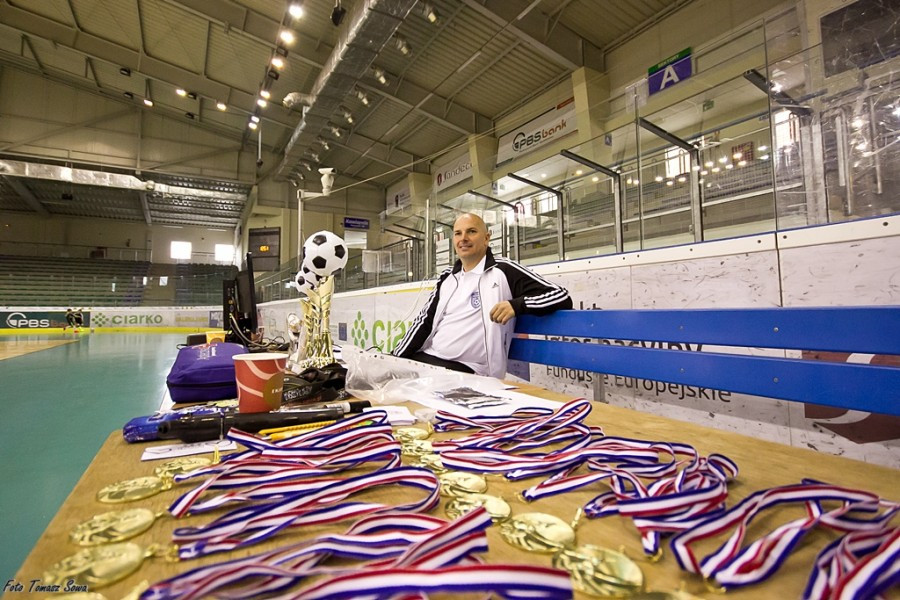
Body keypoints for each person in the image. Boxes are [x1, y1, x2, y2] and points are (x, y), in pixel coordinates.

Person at [392, 212, 572, 379]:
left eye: (471, 231)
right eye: (458, 233)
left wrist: (516, 305)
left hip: (469, 370)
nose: (463, 238)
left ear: (486, 238)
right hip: (429, 359)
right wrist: (393, 359)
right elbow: (425, 321)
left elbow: (561, 296)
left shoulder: (503, 270)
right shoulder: (447, 278)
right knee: (377, 382)